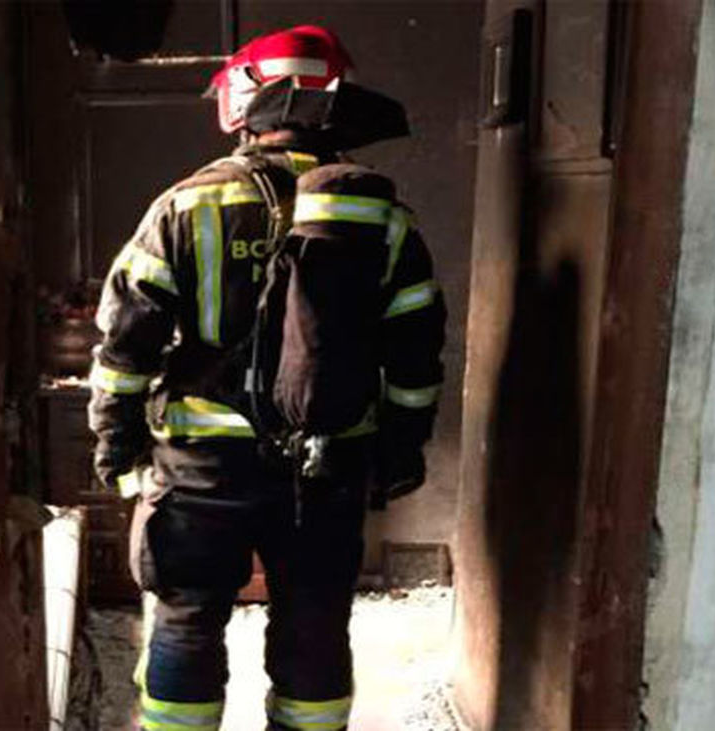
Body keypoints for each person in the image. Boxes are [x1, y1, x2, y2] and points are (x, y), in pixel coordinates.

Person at [87, 25, 446, 731]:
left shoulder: (185, 206)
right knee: (313, 626)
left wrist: (115, 445)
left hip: (200, 466)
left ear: (242, 103)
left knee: (187, 621)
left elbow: (126, 343)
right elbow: (416, 352)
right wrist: (400, 452)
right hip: (326, 463)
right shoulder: (384, 220)